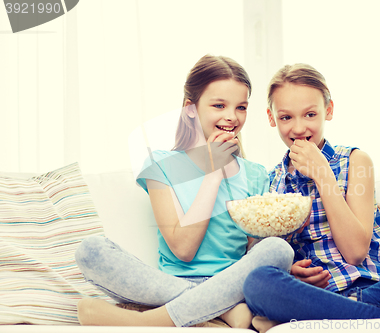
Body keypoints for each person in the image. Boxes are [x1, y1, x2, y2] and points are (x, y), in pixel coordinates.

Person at [74, 55, 294, 328]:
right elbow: (183, 249)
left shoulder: (256, 174)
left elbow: (254, 254)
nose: (232, 117)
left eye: (241, 107)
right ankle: (219, 311)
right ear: (190, 109)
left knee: (279, 249)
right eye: (219, 105)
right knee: (90, 250)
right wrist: (213, 171)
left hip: (231, 283)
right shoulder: (161, 165)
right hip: (170, 284)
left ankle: (150, 320)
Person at [242, 63, 380, 329]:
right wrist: (290, 271)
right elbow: (274, 254)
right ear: (271, 118)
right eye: (286, 118)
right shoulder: (271, 182)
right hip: (317, 296)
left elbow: (354, 253)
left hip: (376, 288)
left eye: (309, 114)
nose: (298, 128)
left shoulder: (355, 161)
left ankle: (357, 310)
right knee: (257, 282)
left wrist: (322, 174)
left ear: (328, 111)